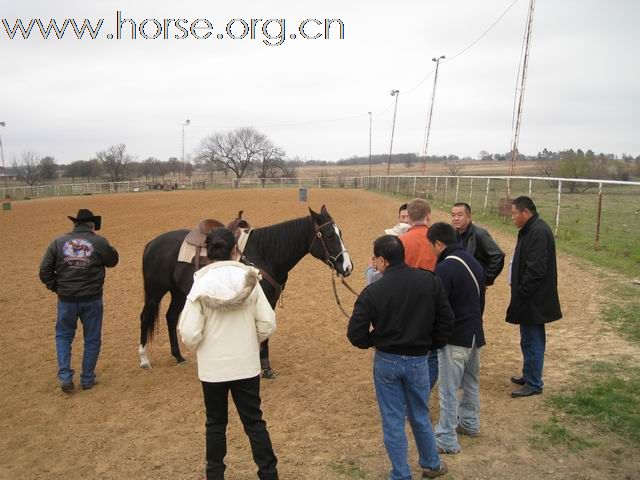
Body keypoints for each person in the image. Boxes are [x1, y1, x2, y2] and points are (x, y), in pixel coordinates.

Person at [347, 235, 454, 480]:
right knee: (419, 413)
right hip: (419, 359)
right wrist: (430, 344)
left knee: (393, 419)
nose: (373, 263)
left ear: (382, 260)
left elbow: (355, 334)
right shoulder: (430, 281)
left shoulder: (373, 291)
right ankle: (431, 464)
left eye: (374, 259)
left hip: (387, 361)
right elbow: (446, 321)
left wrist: (376, 341)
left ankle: (401, 474)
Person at [178, 227, 279, 480]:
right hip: (246, 367)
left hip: (213, 371)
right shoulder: (250, 280)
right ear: (235, 250)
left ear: (208, 253)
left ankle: (215, 475)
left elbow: (189, 333)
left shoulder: (200, 284)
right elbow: (267, 324)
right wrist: (248, 342)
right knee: (254, 422)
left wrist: (205, 348)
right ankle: (268, 474)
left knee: (215, 424)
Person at [39, 208, 119, 393]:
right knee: (92, 338)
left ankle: (65, 376)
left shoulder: (58, 242)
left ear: (75, 224)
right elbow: (113, 261)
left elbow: (44, 271)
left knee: (63, 336)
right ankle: (87, 378)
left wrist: (57, 287)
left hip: (66, 299)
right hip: (92, 299)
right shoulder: (98, 241)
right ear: (92, 225)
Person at [427, 222, 486, 455]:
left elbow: (438, 307)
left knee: (448, 389)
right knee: (470, 383)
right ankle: (470, 423)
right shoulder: (472, 261)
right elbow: (480, 300)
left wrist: (435, 335)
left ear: (439, 243)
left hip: (454, 337)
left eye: (432, 246)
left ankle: (446, 437)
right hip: (474, 333)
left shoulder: (446, 267)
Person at [507, 196, 562, 398]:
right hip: (529, 298)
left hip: (533, 299)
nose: (512, 217)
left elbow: (536, 269)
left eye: (514, 213)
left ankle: (534, 383)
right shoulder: (531, 229)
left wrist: (522, 292)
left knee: (533, 340)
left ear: (526, 212)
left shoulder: (538, 231)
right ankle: (528, 374)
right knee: (528, 339)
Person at [399, 198, 439, 387]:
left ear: (409, 217)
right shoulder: (437, 240)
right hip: (432, 302)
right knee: (432, 355)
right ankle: (423, 388)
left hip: (406, 302)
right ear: (428, 215)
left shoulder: (401, 241)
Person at [450, 202, 505, 287]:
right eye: (453, 215)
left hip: (474, 285)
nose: (456, 218)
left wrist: (485, 279)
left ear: (469, 216)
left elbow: (498, 255)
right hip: (457, 284)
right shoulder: (451, 235)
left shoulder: (480, 234)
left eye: (460, 215)